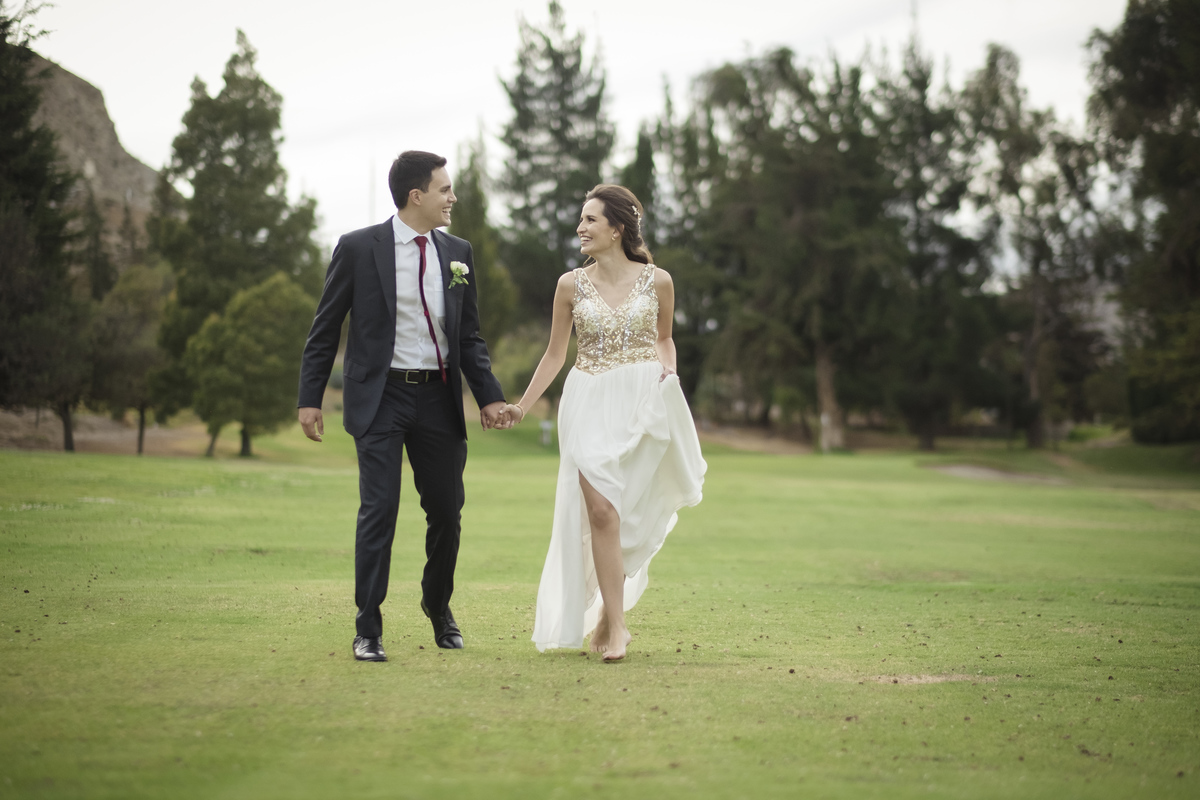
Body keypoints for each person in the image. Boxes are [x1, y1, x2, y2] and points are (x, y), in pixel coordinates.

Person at [297, 151, 511, 662]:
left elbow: (470, 335)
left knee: (446, 511)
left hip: (438, 397)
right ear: (417, 196)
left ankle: (439, 608)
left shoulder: (457, 252)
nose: (452, 198)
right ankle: (367, 627)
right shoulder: (357, 248)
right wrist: (310, 399)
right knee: (380, 510)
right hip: (379, 397)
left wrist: (489, 396)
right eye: (445, 189)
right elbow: (325, 330)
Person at [505, 184, 706, 661]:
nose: (581, 228)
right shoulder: (569, 285)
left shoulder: (659, 281)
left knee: (625, 513)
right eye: (581, 220)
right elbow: (556, 354)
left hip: (641, 401)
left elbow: (665, 339)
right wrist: (522, 405)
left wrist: (668, 376)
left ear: (617, 228)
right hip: (588, 398)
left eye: (590, 220)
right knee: (599, 510)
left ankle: (608, 617)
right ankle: (616, 628)